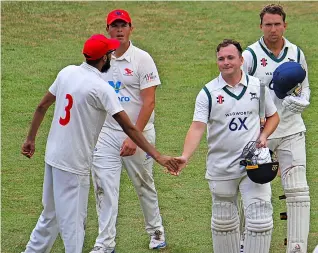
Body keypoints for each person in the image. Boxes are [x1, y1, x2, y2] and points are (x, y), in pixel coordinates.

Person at [21, 34, 178, 253]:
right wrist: (159, 156)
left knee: (50, 216)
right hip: (74, 164)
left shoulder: (67, 72)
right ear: (104, 58)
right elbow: (130, 128)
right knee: (74, 226)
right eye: (109, 53)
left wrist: (30, 139)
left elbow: (41, 106)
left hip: (52, 157)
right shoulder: (100, 88)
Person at [175, 39, 280, 253]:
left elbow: (273, 116)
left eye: (231, 57)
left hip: (253, 166)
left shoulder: (257, 87)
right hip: (221, 167)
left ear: (241, 60)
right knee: (224, 223)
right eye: (221, 58)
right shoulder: (208, 93)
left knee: (260, 219)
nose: (226, 62)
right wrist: (185, 156)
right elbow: (197, 127)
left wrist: (265, 135)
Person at [89, 9, 167, 253]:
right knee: (103, 187)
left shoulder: (142, 59)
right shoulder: (101, 60)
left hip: (139, 134)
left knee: (144, 184)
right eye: (115, 26)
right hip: (106, 134)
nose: (119, 30)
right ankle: (105, 243)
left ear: (131, 28)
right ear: (108, 30)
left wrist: (135, 137)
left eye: (123, 25)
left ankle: (156, 231)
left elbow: (149, 102)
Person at [242, 4, 311, 253]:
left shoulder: (295, 52)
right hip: (260, 134)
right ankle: (244, 242)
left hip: (292, 130)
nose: (273, 29)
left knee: (298, 191)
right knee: (254, 190)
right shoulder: (250, 55)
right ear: (261, 26)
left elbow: (305, 86)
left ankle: (297, 247)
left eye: (277, 24)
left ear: (285, 25)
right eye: (268, 24)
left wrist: (302, 101)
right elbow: (240, 91)